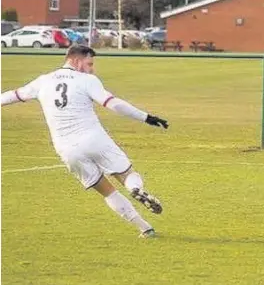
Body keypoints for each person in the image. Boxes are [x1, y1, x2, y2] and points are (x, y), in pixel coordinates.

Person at [1, 45, 169, 238]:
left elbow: (10, 96)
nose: (92, 69)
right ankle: (135, 188)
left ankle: (145, 228)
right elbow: (114, 104)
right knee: (126, 174)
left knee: (107, 192)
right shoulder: (87, 80)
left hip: (66, 149)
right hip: (94, 139)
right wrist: (146, 117)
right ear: (75, 61)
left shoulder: (43, 81)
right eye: (89, 64)